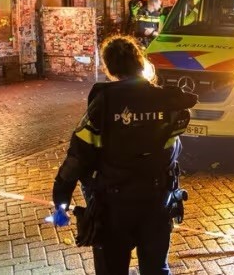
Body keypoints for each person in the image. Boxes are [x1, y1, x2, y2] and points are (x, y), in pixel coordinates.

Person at [51, 35, 197, 274]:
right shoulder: (167, 101)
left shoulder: (103, 104)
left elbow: (78, 157)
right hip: (157, 202)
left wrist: (61, 202)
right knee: (156, 269)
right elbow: (173, 150)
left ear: (109, 67)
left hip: (113, 207)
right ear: (140, 62)